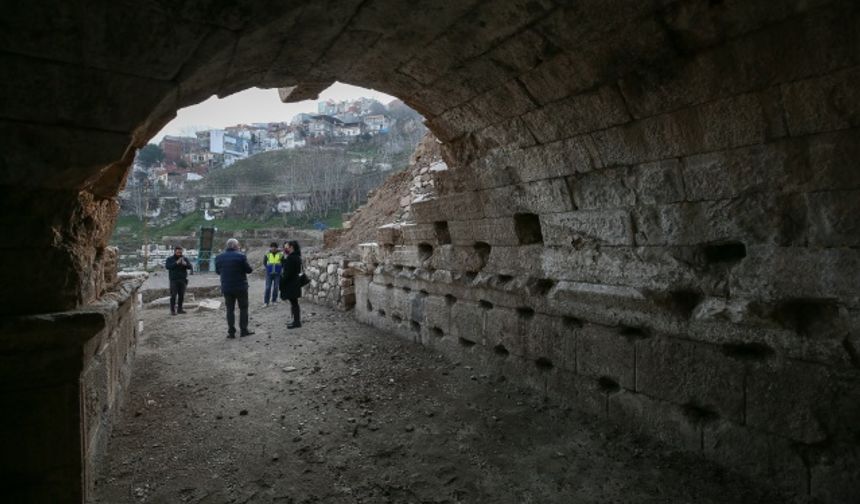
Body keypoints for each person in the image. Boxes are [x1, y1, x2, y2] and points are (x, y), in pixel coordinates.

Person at [214, 238, 254, 338]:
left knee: (229, 310)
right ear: (236, 246)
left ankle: (231, 332)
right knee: (243, 308)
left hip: (227, 287)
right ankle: (243, 330)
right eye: (238, 245)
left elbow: (218, 272)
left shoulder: (219, 257)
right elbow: (249, 270)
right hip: (241, 287)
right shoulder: (241, 256)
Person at [279, 240, 303, 329]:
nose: (285, 249)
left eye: (286, 247)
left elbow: (287, 272)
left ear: (291, 247)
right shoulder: (296, 256)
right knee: (294, 303)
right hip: (294, 282)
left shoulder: (291, 258)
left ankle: (296, 322)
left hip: (291, 283)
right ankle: (295, 320)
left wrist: (281, 282)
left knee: (294, 303)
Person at [165, 245, 192, 315]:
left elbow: (190, 267)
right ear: (175, 252)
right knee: (173, 295)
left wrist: (185, 264)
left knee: (181, 295)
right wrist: (176, 263)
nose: (179, 254)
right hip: (174, 280)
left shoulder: (185, 258)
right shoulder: (170, 259)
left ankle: (180, 309)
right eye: (178, 252)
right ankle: (172, 310)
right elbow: (168, 267)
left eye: (180, 252)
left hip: (183, 280)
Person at [262, 241, 283, 307]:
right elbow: (264, 262)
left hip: (277, 274)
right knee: (268, 287)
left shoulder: (280, 254)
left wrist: (280, 269)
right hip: (269, 274)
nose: (273, 248)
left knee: (276, 287)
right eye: (272, 247)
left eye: (275, 247)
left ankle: (274, 300)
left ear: (277, 248)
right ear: (270, 248)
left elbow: (283, 263)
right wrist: (268, 268)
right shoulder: (267, 254)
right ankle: (266, 302)